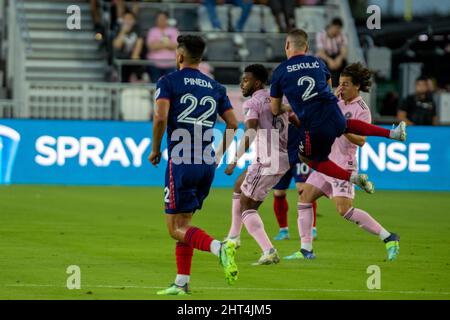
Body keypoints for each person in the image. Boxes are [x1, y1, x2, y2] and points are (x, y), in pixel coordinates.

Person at [148, 35, 239, 295]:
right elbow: (233, 123)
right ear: (200, 58)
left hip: (181, 161)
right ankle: (181, 282)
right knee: (185, 222)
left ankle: (218, 248)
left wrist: (156, 149)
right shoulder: (215, 87)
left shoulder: (168, 81)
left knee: (175, 228)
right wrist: (219, 153)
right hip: (206, 162)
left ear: (179, 56)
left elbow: (160, 117)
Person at [284, 63, 400, 261]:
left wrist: (342, 128)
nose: (341, 88)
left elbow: (362, 140)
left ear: (357, 86)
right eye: (340, 83)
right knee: (304, 198)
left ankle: (389, 237)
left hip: (343, 164)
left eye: (346, 84)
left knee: (344, 210)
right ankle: (306, 250)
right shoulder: (334, 101)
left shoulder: (362, 110)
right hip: (325, 161)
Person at [270, 29, 407, 196]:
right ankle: (393, 133)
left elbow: (275, 109)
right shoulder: (318, 62)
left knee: (308, 158)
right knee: (346, 125)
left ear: (287, 45)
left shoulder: (280, 71)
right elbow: (327, 86)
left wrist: (291, 107)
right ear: (306, 47)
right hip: (331, 109)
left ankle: (353, 178)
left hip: (313, 124)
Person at [224, 64, 290, 265]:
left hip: (268, 160)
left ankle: (268, 250)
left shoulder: (252, 103)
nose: (241, 84)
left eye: (246, 80)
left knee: (247, 206)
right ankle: (233, 237)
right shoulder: (279, 99)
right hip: (280, 157)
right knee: (239, 185)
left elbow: (250, 131)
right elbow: (295, 119)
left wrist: (234, 160)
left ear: (257, 82)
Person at [272, 123, 318, 241]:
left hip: (300, 155)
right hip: (280, 157)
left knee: (304, 191)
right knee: (278, 193)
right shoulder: (272, 108)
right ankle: (283, 230)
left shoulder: (296, 106)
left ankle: (311, 229)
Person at [146, 11, 179, 83]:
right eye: (159, 18)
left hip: (170, 63)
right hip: (155, 64)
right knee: (156, 85)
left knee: (170, 87)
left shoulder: (173, 30)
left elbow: (175, 45)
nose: (161, 20)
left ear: (167, 19)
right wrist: (167, 44)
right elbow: (151, 47)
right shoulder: (152, 31)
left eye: (163, 18)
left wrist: (159, 44)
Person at [112, 11, 144, 82]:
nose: (128, 21)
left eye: (130, 19)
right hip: (121, 59)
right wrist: (123, 31)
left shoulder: (137, 29)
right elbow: (117, 45)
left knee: (137, 64)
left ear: (134, 20)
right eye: (126, 19)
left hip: (134, 59)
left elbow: (139, 42)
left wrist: (134, 56)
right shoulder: (118, 29)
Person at [316, 18, 348, 88]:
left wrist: (339, 59)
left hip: (336, 56)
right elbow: (321, 52)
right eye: (336, 28)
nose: (337, 31)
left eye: (339, 29)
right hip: (325, 57)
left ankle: (340, 85)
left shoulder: (342, 35)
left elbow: (344, 51)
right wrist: (330, 61)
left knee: (344, 63)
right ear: (331, 26)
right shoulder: (321, 35)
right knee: (322, 64)